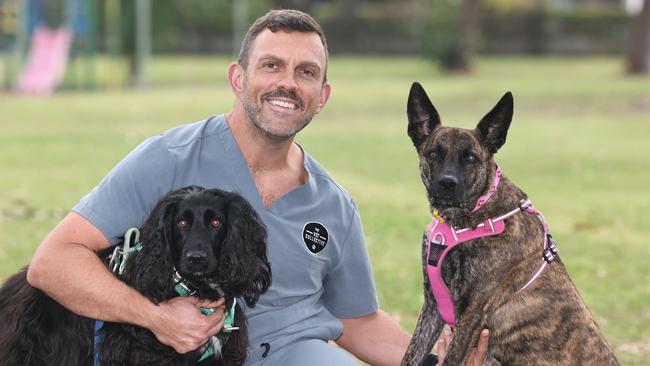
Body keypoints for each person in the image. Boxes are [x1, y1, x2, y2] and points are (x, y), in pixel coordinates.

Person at [27, 9, 488, 366]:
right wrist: (157, 318)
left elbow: (357, 320)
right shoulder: (168, 159)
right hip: (181, 353)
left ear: (322, 97)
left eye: (306, 72)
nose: (288, 83)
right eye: (272, 65)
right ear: (238, 78)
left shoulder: (333, 203)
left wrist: (433, 357)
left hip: (296, 352)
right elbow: (53, 262)